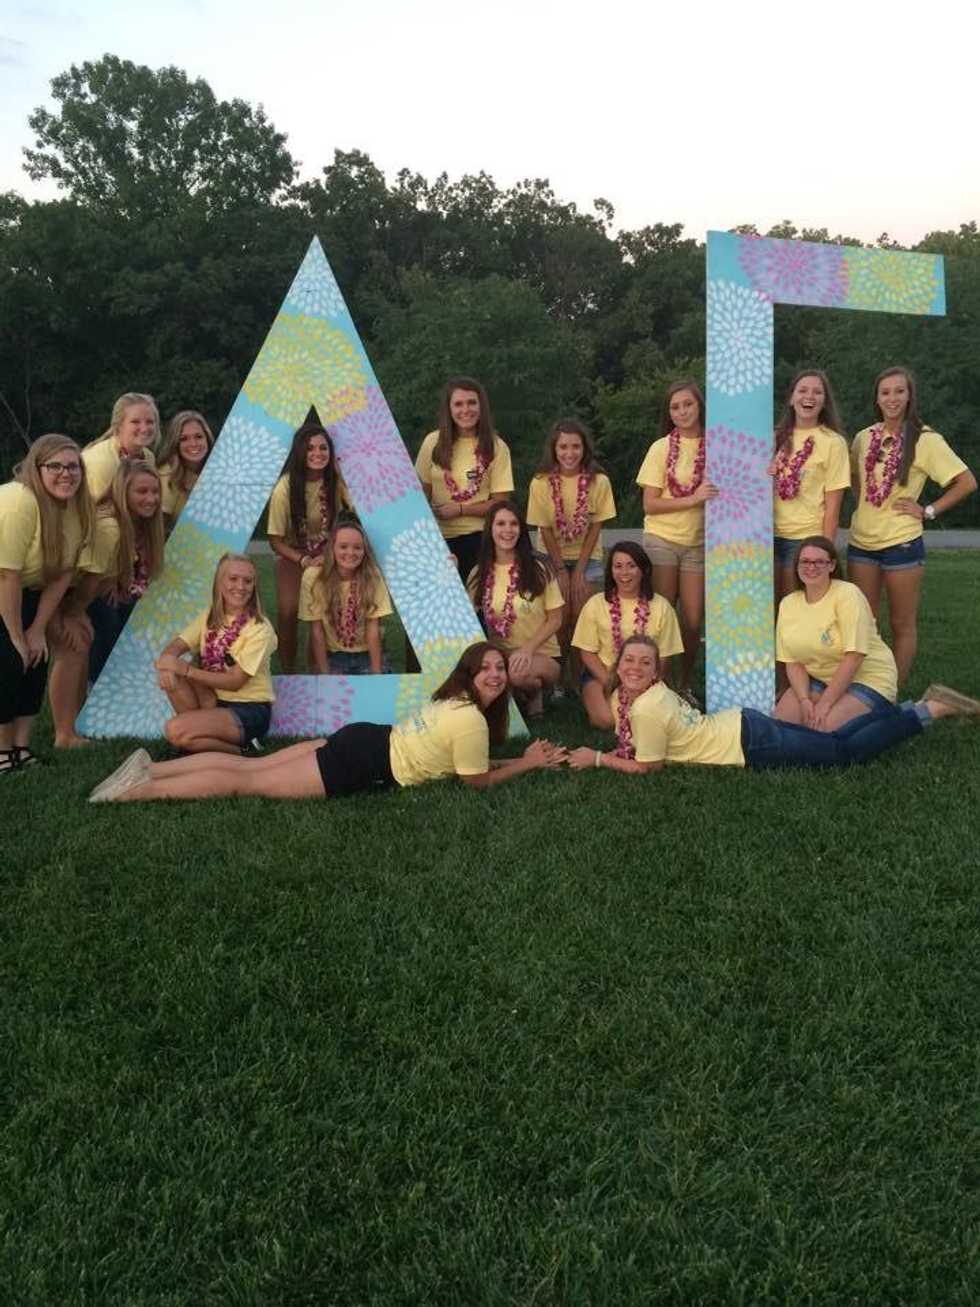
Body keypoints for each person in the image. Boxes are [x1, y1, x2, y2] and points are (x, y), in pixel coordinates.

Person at [89, 642, 567, 802]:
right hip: (362, 761)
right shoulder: (472, 722)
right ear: (470, 673)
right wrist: (526, 764)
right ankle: (134, 791)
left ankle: (153, 768)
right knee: (245, 781)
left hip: (365, 738)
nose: (494, 674)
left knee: (251, 768)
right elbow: (476, 780)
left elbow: (471, 763)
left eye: (499, 669)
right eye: (485, 668)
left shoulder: (455, 701)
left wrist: (518, 759)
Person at [568, 635, 979, 775]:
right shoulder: (634, 696)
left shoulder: (643, 706)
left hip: (748, 743)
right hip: (743, 725)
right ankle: (905, 710)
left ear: (656, 669)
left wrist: (598, 759)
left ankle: (929, 710)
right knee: (833, 741)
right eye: (629, 661)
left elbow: (648, 767)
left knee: (843, 754)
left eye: (645, 663)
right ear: (617, 664)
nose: (635, 668)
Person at [848, 366, 976, 685]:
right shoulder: (864, 437)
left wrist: (928, 510)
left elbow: (966, 482)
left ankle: (893, 691)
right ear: (877, 398)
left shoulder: (926, 440)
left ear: (909, 396)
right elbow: (853, 478)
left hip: (901, 544)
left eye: (899, 391)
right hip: (861, 544)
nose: (892, 398)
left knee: (901, 623)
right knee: (863, 623)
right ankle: (867, 685)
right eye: (885, 392)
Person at [49, 462, 165, 744]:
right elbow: (88, 579)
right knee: (82, 643)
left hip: (93, 588)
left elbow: (111, 567)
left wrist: (114, 579)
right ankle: (76, 721)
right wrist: (74, 614)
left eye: (155, 492)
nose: (151, 498)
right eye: (142, 491)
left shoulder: (134, 522)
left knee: (115, 620)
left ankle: (87, 710)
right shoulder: (110, 525)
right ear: (123, 491)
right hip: (65, 592)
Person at [0, 435, 92, 771]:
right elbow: (6, 575)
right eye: (55, 466)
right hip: (5, 583)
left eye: (73, 466)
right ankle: (1, 752)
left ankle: (21, 748)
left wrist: (37, 629)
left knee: (36, 660)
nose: (66, 473)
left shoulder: (75, 507)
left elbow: (63, 573)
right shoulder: (18, 501)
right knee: (10, 662)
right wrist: (16, 636)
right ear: (36, 468)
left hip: (28, 588)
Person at [635, 380, 718, 704]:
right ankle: (660, 685)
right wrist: (693, 499)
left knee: (693, 620)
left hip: (699, 543)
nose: (682, 411)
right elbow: (650, 504)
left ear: (700, 406)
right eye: (675, 407)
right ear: (669, 413)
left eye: (688, 404)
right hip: (663, 539)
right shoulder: (660, 448)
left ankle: (684, 684)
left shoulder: (717, 445)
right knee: (663, 615)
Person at [155, 553, 276, 754]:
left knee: (175, 731)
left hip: (248, 710)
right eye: (233, 579)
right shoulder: (210, 616)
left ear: (254, 586)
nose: (240, 586)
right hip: (212, 700)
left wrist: (187, 670)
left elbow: (235, 682)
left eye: (248, 581)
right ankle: (201, 741)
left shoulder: (260, 628)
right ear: (219, 583)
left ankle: (243, 750)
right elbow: (176, 646)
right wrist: (167, 663)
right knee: (172, 672)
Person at [526, 418, 615, 691]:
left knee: (582, 619)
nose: (569, 453)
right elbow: (544, 529)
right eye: (563, 447)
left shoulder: (599, 481)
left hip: (587, 559)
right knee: (560, 620)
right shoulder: (540, 482)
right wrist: (561, 570)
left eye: (575, 446)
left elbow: (596, 527)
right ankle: (559, 681)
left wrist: (579, 571)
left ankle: (580, 681)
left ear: (584, 448)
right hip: (551, 559)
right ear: (554, 450)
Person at [774, 536, 897, 731]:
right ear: (796, 566)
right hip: (821, 679)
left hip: (868, 678)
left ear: (831, 565)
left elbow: (854, 656)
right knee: (780, 726)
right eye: (805, 561)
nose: (811, 567)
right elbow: (792, 662)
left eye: (819, 562)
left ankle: (902, 715)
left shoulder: (847, 594)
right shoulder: (788, 604)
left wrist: (825, 703)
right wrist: (804, 700)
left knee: (823, 730)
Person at [571, 540, 684, 728]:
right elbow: (587, 652)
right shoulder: (595, 604)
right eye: (618, 566)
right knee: (606, 720)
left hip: (645, 677)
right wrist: (611, 681)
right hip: (603, 674)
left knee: (650, 719)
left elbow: (664, 658)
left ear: (644, 570)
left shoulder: (662, 607)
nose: (624, 572)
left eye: (631, 566)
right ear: (611, 571)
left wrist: (643, 684)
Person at [467, 500, 563, 717]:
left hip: (541, 654)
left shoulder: (538, 568)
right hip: (500, 655)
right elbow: (464, 615)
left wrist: (527, 649)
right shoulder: (479, 573)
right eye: (501, 524)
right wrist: (450, 570)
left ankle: (534, 691)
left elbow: (556, 619)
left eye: (514, 524)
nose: (508, 530)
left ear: (521, 530)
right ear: (490, 529)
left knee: (516, 673)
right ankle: (518, 695)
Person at [414, 377, 514, 582]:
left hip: (480, 539)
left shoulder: (496, 446)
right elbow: (420, 494)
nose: (466, 410)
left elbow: (501, 504)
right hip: (437, 541)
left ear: (481, 406)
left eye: (471, 403)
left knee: (478, 599)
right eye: (458, 404)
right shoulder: (432, 442)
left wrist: (460, 510)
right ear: (449, 409)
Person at [267, 422, 346, 672]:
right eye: (310, 448)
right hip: (293, 554)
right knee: (288, 611)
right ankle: (288, 670)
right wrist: (302, 560)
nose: (317, 453)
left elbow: (356, 510)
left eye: (323, 448)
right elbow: (275, 540)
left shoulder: (335, 483)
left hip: (327, 553)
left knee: (319, 613)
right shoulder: (285, 487)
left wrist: (328, 554)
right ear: (300, 452)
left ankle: (316, 670)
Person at [769, 370, 851, 603]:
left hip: (805, 539)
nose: (809, 396)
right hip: (765, 536)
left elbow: (833, 507)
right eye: (802, 390)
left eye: (817, 392)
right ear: (791, 398)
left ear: (825, 401)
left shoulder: (833, 442)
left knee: (794, 606)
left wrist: (824, 552)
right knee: (763, 611)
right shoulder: (773, 438)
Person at [299, 518, 392, 675]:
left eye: (357, 548)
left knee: (376, 687)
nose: (350, 553)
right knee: (330, 689)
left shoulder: (372, 576)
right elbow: (316, 630)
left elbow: (373, 628)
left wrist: (376, 675)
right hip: (333, 655)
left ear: (365, 551)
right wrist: (325, 674)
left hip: (367, 654)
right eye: (343, 547)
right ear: (332, 549)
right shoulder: (314, 577)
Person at [82, 392, 159, 502]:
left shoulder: (148, 457)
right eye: (135, 422)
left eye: (150, 422)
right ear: (119, 425)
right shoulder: (103, 462)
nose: (144, 429)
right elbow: (98, 508)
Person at [157, 410, 214, 531]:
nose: (193, 443)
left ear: (207, 438)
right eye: (184, 439)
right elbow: (158, 530)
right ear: (175, 443)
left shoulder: (217, 470)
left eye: (198, 437)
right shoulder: (167, 474)